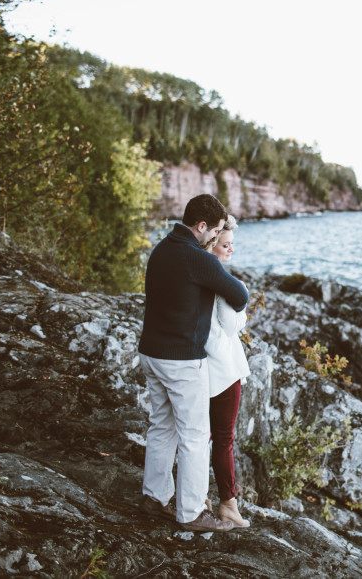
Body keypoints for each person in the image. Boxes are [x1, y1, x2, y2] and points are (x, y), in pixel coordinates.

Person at [137, 194, 249, 532]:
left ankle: (153, 498)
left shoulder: (161, 249)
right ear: (200, 226)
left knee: (162, 427)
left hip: (151, 352)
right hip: (182, 359)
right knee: (196, 437)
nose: (215, 238)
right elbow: (240, 297)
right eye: (214, 231)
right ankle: (191, 513)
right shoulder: (199, 260)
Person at [202, 215, 251, 527]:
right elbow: (231, 325)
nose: (231, 250)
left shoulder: (195, 275)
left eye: (233, 244)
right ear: (212, 244)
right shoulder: (222, 281)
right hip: (224, 368)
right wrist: (244, 312)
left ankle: (197, 496)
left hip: (200, 364)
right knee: (223, 438)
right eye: (225, 244)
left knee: (197, 436)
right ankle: (228, 504)